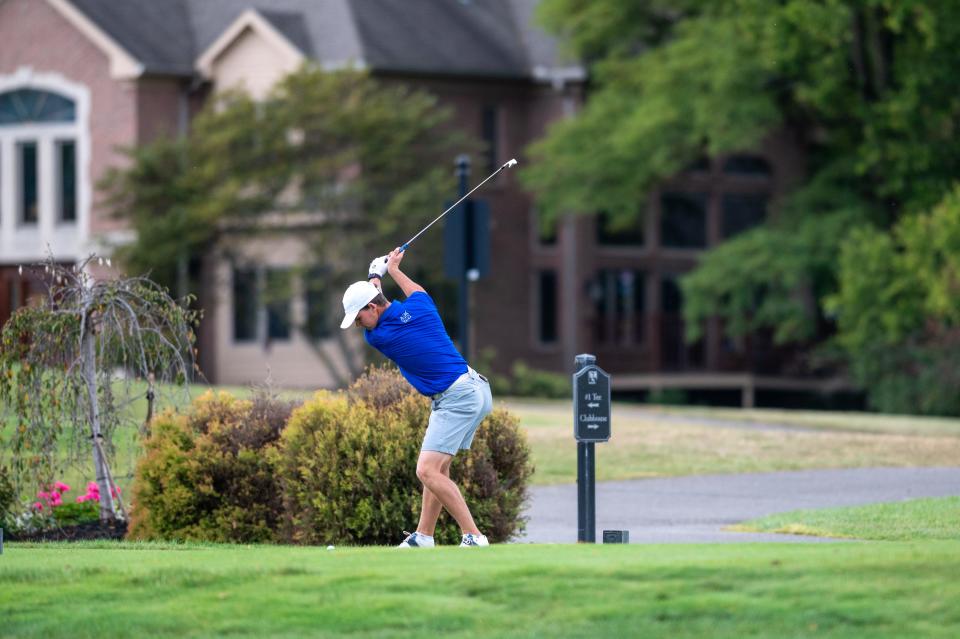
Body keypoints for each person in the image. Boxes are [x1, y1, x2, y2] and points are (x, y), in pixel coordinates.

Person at [339, 247, 493, 547]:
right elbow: (414, 291)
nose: (358, 326)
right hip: (473, 389)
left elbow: (377, 299)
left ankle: (473, 535)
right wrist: (392, 270)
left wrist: (375, 273)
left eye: (358, 318)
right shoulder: (422, 305)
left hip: (457, 397)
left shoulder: (379, 337)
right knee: (438, 469)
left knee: (425, 469)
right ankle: (423, 536)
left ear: (372, 309)